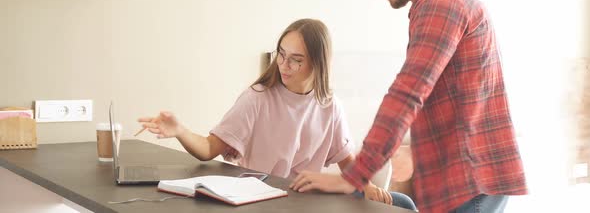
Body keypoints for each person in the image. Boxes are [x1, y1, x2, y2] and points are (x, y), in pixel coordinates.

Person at [290, 0, 528, 212]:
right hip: (466, 176)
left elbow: (408, 92)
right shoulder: (442, 1)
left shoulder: (442, 3)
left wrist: (355, 176)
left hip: (470, 181)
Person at [138, 18, 416, 210]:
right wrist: (180, 131)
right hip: (262, 199)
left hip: (307, 199)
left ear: (318, 64)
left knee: (404, 205)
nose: (284, 65)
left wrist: (366, 187)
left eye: (296, 59)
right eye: (281, 55)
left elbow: (349, 166)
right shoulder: (257, 98)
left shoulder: (330, 107)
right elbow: (209, 148)